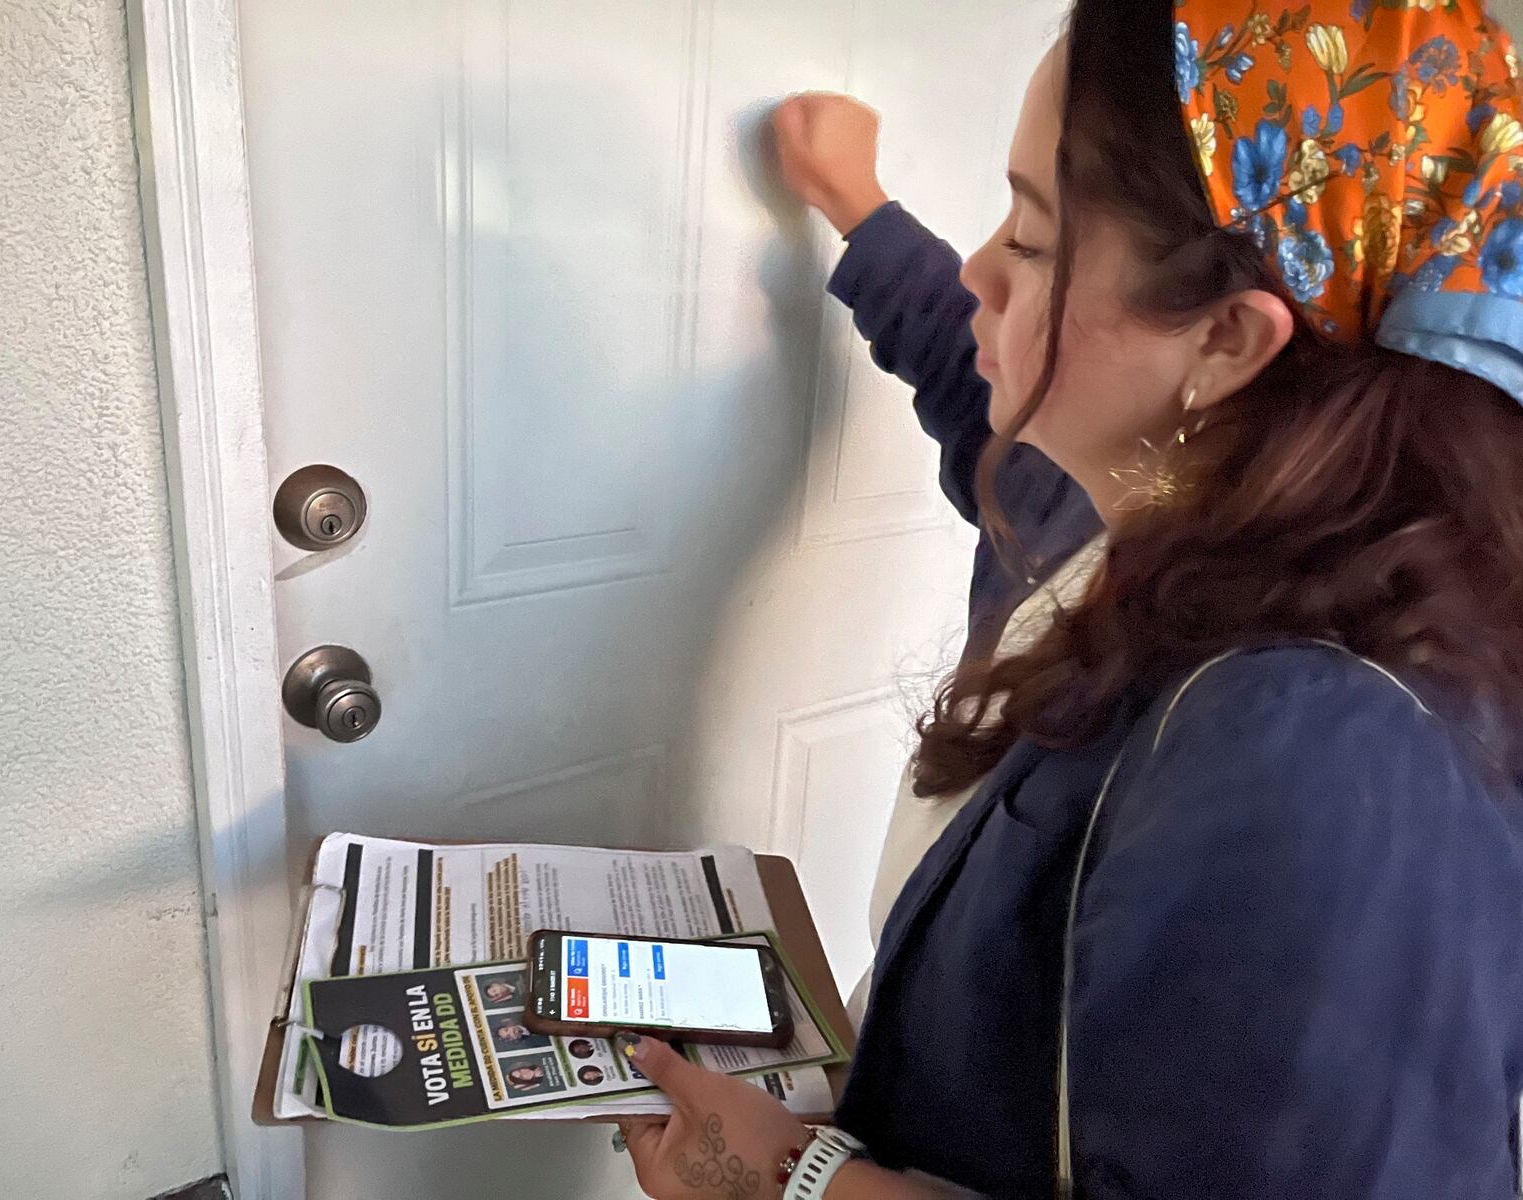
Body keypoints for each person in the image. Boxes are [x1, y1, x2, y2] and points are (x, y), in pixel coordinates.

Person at [616, 1, 1523, 1196]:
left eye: (1034, 240)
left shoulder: (1316, 755)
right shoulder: (1144, 508)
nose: (983, 270)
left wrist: (781, 1178)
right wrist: (856, 204)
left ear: (1227, 341)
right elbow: (966, 355)